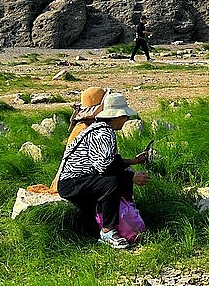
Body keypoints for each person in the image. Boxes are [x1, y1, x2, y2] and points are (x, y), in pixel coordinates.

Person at [54, 92, 150, 249]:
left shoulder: (101, 129)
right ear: (117, 116)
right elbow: (105, 168)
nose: (126, 119)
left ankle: (122, 218)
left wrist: (134, 161)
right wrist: (131, 177)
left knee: (121, 174)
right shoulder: (103, 133)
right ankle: (108, 231)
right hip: (71, 183)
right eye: (125, 116)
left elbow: (111, 160)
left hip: (79, 180)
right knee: (112, 182)